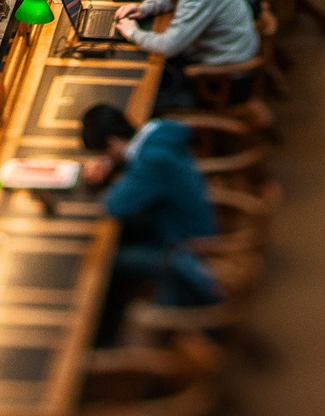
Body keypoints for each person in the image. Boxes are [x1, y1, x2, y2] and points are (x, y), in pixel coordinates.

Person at [81, 104, 221, 343]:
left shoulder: (152, 161)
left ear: (113, 142)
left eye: (105, 153)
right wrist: (114, 165)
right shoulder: (159, 130)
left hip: (184, 248)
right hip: (196, 223)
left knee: (103, 261)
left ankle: (105, 335)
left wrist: (103, 177)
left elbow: (113, 206)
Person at [115, 0, 259, 108]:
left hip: (226, 73)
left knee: (148, 97)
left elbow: (170, 46)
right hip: (230, 48)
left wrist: (132, 33)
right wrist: (144, 8)